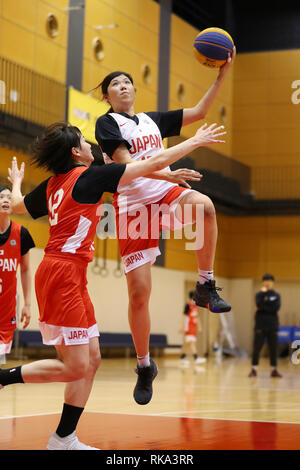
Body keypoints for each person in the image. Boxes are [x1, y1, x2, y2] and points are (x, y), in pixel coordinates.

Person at [0, 120, 225, 450]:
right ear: (76, 152)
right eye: (85, 142)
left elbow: (18, 206)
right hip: (61, 274)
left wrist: (17, 184)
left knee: (91, 360)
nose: (93, 146)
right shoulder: (89, 176)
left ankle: (64, 438)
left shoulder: (52, 185)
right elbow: (151, 163)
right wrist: (196, 141)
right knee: (76, 365)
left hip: (70, 275)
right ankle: (4, 378)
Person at [94, 56, 235, 405]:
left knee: (204, 206)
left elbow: (200, 112)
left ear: (134, 90)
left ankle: (205, 285)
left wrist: (223, 75)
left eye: (127, 80)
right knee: (139, 295)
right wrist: (168, 172)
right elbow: (128, 167)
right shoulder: (106, 124)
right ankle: (144, 366)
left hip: (165, 194)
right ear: (108, 96)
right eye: (115, 83)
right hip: (133, 207)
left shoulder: (152, 121)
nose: (123, 85)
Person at [0, 185, 34, 365]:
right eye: (1, 197)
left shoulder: (21, 233)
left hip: (5, 311)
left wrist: (27, 304)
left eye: (8, 197)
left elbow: (26, 269)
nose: (6, 200)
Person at [249, 274, 282, 378]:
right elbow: (259, 304)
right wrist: (265, 300)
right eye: (265, 280)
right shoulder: (259, 295)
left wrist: (264, 306)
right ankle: (254, 369)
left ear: (273, 282)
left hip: (273, 325)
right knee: (257, 348)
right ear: (262, 282)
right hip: (260, 325)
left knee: (273, 349)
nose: (267, 282)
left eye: (269, 280)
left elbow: (276, 308)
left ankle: (274, 370)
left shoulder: (277, 295)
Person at [179, 290, 206, 367]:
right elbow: (184, 316)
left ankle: (182, 358)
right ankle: (196, 358)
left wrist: (200, 327)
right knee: (191, 342)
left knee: (188, 343)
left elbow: (197, 317)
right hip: (188, 326)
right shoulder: (187, 305)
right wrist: (182, 327)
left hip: (193, 326)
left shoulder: (195, 306)